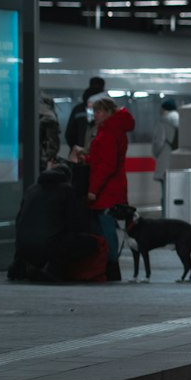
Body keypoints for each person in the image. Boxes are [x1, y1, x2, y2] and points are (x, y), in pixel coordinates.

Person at [72, 94, 135, 282]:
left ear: (107, 112)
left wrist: (93, 190)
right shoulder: (108, 129)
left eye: (98, 111)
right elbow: (102, 160)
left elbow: (106, 166)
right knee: (104, 229)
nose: (95, 115)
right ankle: (107, 266)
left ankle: (110, 267)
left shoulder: (109, 132)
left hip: (106, 191)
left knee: (105, 229)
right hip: (109, 188)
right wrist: (87, 158)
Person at [7, 162, 99, 282]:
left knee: (53, 240)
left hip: (22, 247)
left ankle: (22, 265)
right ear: (68, 178)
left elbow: (19, 220)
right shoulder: (67, 190)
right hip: (49, 246)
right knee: (89, 243)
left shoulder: (31, 189)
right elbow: (76, 224)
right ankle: (52, 270)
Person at [65, 76, 105, 152]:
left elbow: (69, 134)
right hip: (100, 154)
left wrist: (76, 149)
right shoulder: (107, 110)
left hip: (80, 154)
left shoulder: (78, 109)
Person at [151, 96, 180, 196]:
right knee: (176, 192)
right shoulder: (182, 120)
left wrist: (155, 153)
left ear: (165, 109)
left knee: (166, 193)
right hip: (178, 162)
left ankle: (166, 211)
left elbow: (158, 142)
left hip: (165, 160)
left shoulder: (163, 122)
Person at [39, 92, 60, 171]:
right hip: (44, 159)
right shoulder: (50, 117)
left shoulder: (38, 115)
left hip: (39, 157)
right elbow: (52, 143)